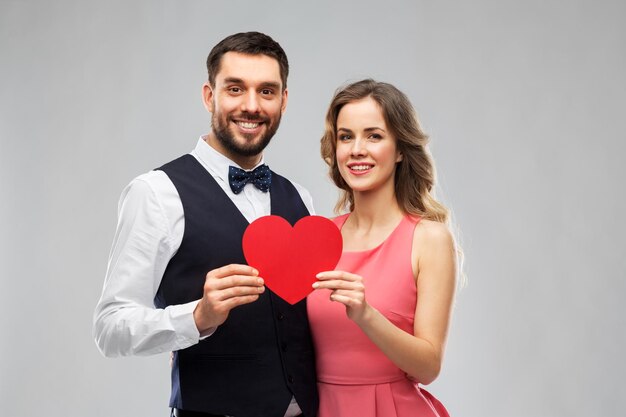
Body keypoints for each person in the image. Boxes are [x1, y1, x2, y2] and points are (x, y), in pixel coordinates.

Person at [93, 32, 318, 417]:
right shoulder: (155, 192)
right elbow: (110, 328)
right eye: (235, 88)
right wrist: (197, 317)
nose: (251, 106)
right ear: (209, 96)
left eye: (267, 91)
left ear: (283, 100)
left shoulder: (301, 198)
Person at [307, 79, 457, 417]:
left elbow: (429, 367)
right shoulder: (319, 236)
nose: (357, 149)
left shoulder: (429, 238)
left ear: (401, 149)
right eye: (346, 137)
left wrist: (366, 315)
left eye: (374, 136)